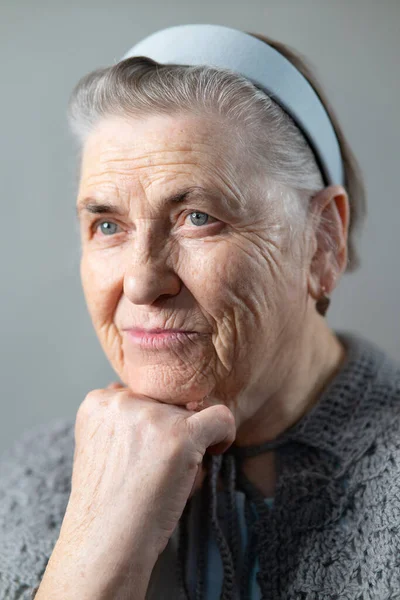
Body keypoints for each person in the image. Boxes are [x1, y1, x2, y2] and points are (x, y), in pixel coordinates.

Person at [0, 24, 399, 600]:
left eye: (197, 217)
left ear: (322, 241)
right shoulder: (32, 479)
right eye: (108, 226)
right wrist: (93, 552)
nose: (141, 281)